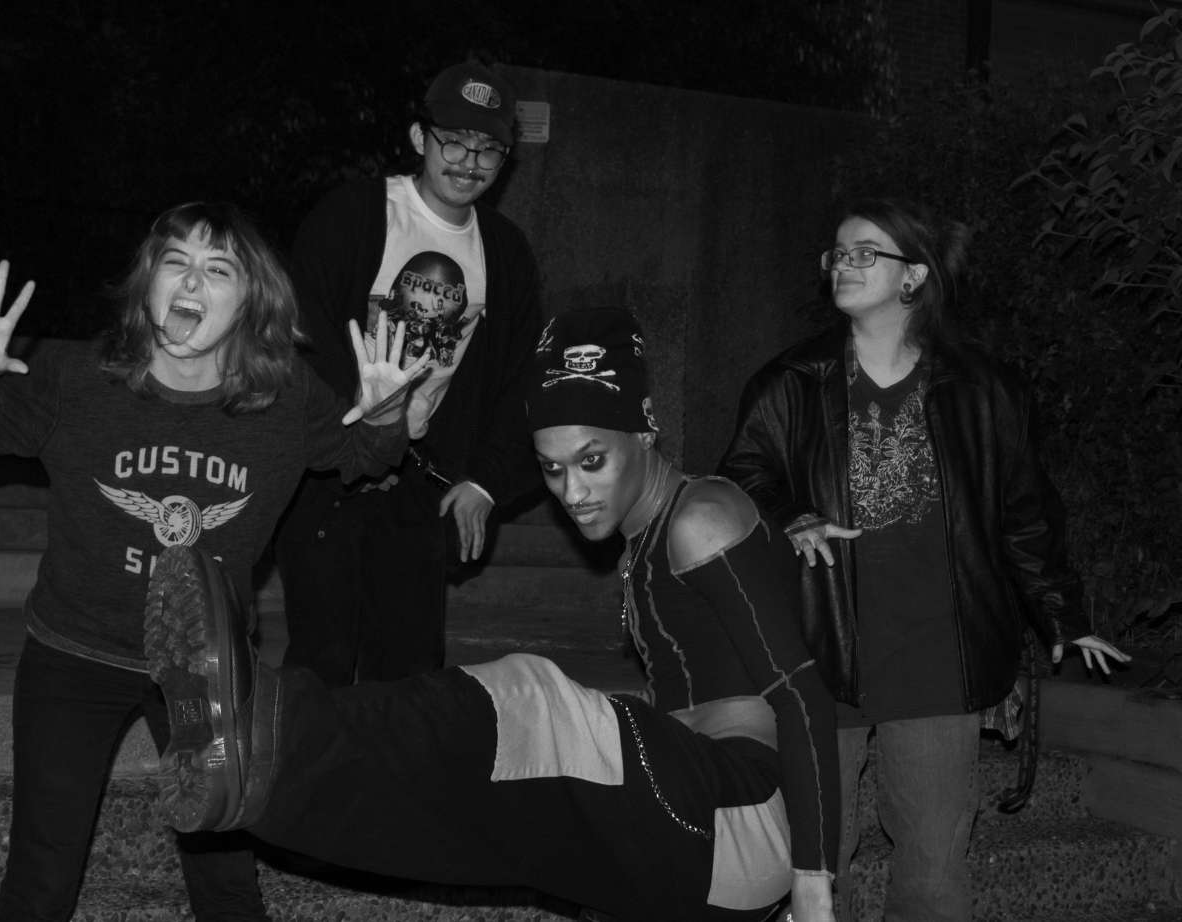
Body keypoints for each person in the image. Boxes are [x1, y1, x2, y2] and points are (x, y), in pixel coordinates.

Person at [144, 307, 841, 922]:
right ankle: (254, 791)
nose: (573, 490)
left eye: (591, 460)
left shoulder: (702, 517)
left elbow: (801, 697)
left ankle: (267, 725)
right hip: (692, 830)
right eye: (553, 468)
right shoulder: (647, 535)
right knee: (479, 801)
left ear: (646, 428)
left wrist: (813, 884)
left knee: (533, 700)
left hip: (741, 817)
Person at [0, 202, 424, 922]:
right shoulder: (78, 377)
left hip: (207, 666)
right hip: (73, 655)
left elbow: (363, 457)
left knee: (226, 883)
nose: (191, 281)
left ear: (251, 302)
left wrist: (385, 413)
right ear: (147, 283)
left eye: (218, 270)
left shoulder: (285, 399)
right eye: (175, 262)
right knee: (40, 881)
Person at [716, 198, 1130, 922]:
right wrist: (792, 515)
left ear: (913, 277)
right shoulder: (791, 381)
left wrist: (1064, 613)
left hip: (939, 654)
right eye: (837, 253)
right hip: (823, 648)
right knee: (811, 864)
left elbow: (1024, 514)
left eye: (864, 253)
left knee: (934, 873)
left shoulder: (984, 388)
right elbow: (738, 479)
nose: (843, 265)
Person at [275, 60, 543, 687]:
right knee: (321, 660)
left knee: (410, 669)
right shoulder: (356, 213)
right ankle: (308, 754)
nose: (469, 162)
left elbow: (522, 377)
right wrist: (359, 428)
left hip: (421, 480)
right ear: (420, 138)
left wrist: (485, 480)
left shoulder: (505, 252)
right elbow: (297, 331)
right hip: (332, 473)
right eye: (455, 141)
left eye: (488, 149)